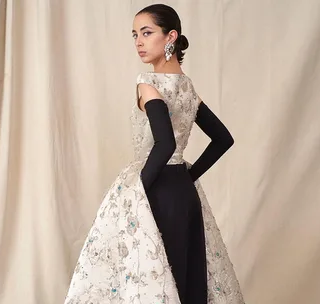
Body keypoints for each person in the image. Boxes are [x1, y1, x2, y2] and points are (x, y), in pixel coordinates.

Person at [64, 4, 245, 304]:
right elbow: (223, 139)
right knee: (185, 278)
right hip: (184, 193)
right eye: (135, 34)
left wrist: (138, 188)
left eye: (147, 33)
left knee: (153, 279)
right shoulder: (189, 89)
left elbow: (165, 145)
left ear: (170, 36)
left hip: (156, 191)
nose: (139, 42)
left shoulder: (147, 84)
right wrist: (188, 175)